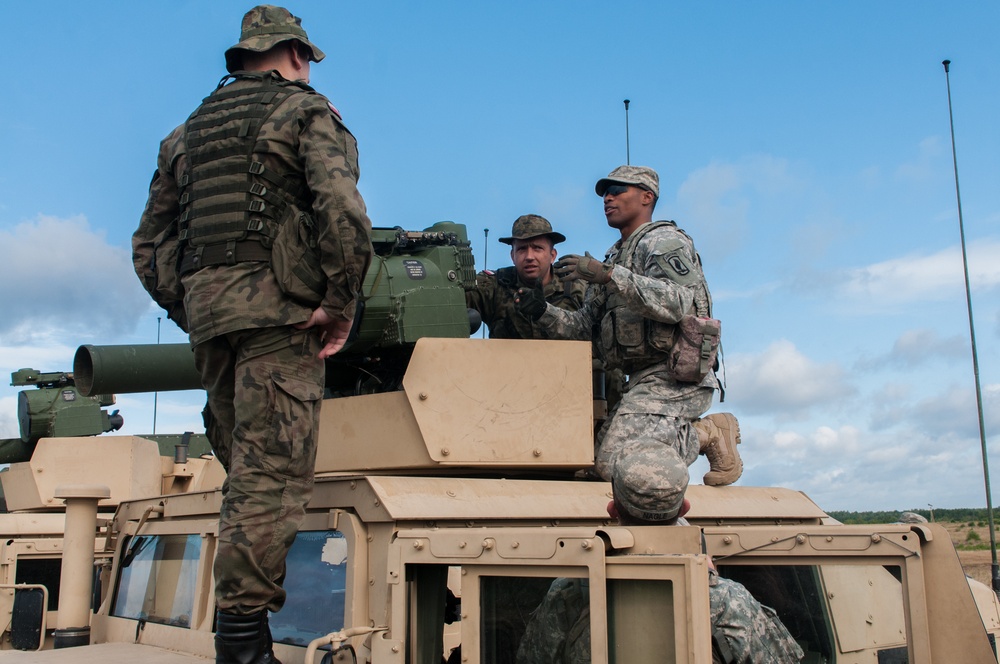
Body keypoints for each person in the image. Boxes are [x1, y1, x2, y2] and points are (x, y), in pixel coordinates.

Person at [132, 5, 373, 663]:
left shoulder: (185, 133)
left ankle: (240, 631)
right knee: (270, 480)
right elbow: (343, 214)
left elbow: (150, 245)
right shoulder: (305, 112)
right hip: (281, 321)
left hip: (213, 323)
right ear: (295, 53)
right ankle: (242, 645)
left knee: (244, 474)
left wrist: (195, 307)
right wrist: (339, 302)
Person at [515, 165, 742, 489]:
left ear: (647, 197)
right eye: (605, 193)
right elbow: (584, 329)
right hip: (638, 381)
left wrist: (608, 275)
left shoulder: (663, 242)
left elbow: (679, 302)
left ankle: (708, 434)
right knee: (595, 467)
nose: (608, 198)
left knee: (616, 463)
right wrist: (542, 312)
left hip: (675, 376)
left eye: (618, 191)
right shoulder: (614, 256)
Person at [516, 441, 804, 664]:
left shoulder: (569, 593)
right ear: (684, 509)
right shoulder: (727, 600)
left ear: (613, 509)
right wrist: (712, 586)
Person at [466, 214, 586, 339]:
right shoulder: (493, 286)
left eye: (537, 248)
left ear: (552, 255)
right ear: (513, 256)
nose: (529, 256)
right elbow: (452, 299)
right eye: (522, 249)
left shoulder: (576, 288)